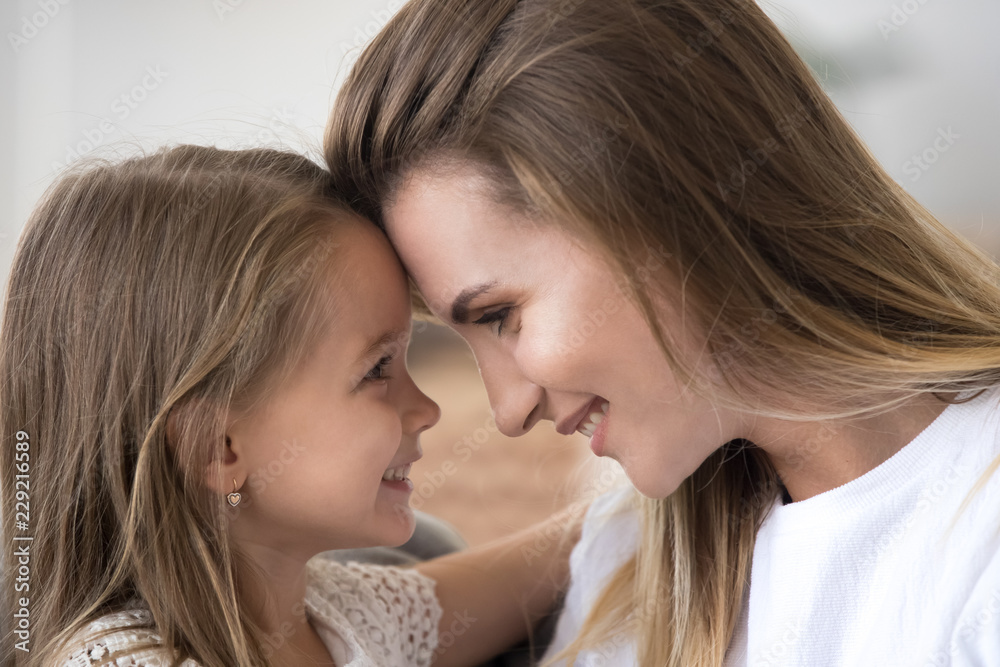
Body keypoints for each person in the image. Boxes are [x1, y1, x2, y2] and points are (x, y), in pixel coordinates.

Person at [323, 0, 1000, 664]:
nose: (507, 410)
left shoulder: (976, 538)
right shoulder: (632, 557)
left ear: (658, 209)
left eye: (501, 316)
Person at [0, 145, 580, 667]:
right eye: (377, 370)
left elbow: (559, 554)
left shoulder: (333, 614)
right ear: (218, 448)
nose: (426, 408)